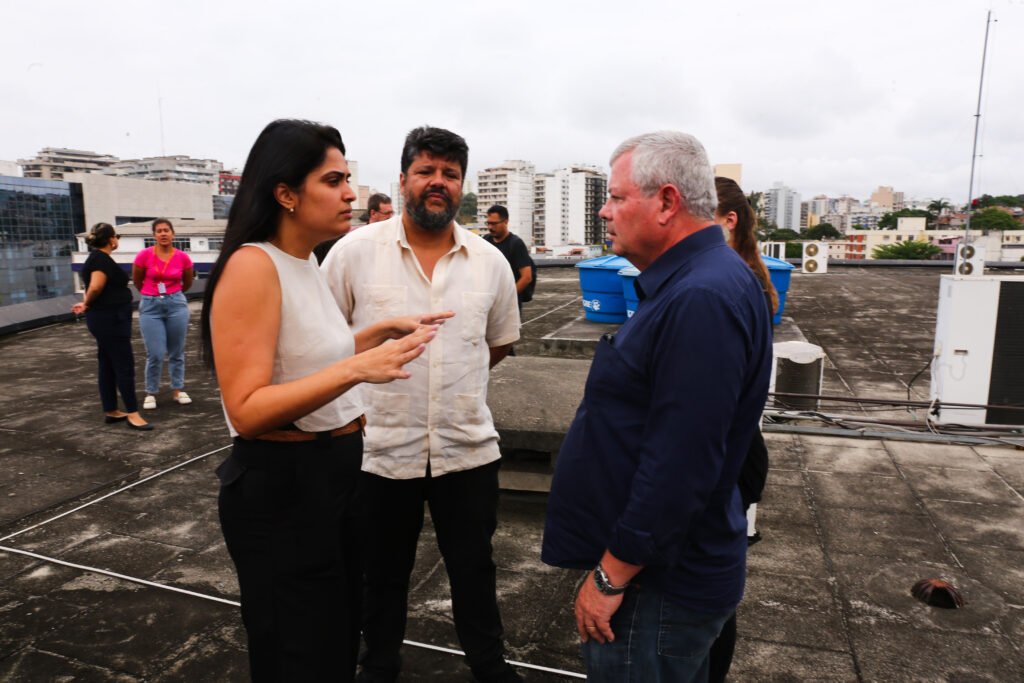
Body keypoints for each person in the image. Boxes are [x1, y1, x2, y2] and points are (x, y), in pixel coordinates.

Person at [200, 119, 447, 682]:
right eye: (333, 180)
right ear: (285, 193)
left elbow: (304, 359)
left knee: (335, 640)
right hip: (283, 485)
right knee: (298, 652)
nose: (350, 194)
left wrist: (373, 335)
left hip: (329, 474)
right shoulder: (252, 265)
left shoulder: (305, 261)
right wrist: (358, 368)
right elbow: (247, 407)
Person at [541, 132, 773, 682]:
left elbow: (681, 464)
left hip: (658, 586)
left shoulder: (701, 298)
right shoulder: (698, 282)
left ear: (667, 202)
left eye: (618, 197)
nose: (604, 209)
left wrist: (609, 578)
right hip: (663, 575)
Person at [321, 126, 522, 683]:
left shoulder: (489, 262)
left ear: (462, 185)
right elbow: (322, 345)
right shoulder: (352, 254)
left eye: (450, 174)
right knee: (379, 574)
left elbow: (498, 343)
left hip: (467, 447)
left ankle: (490, 667)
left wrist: (450, 378)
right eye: (426, 171)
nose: (438, 183)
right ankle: (379, 665)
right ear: (404, 177)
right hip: (380, 449)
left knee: (475, 571)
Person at [707, 176, 778, 683]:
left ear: (728, 221)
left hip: (732, 457)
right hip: (742, 452)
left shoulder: (729, 286)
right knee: (720, 589)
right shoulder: (746, 278)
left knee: (715, 594)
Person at [72, 223, 152, 431]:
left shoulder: (95, 259)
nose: (117, 239)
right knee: (123, 364)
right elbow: (96, 285)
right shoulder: (100, 259)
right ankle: (133, 413)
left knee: (107, 363)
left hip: (106, 318)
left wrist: (86, 302)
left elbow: (91, 286)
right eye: (116, 236)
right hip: (110, 319)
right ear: (111, 239)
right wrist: (88, 303)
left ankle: (111, 410)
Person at [132, 218, 195, 409]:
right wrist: (152, 293)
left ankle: (178, 389)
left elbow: (188, 281)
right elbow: (137, 280)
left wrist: (173, 294)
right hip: (151, 306)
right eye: (159, 231)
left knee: (177, 351)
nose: (163, 234)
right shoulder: (144, 256)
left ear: (173, 234)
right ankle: (151, 392)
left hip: (176, 303)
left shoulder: (182, 257)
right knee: (156, 353)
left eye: (166, 230)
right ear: (154, 236)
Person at [313, 192, 394, 264]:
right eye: (387, 213)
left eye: (392, 213)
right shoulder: (352, 238)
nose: (391, 217)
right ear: (373, 213)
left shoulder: (394, 238)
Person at [482, 204, 534, 311]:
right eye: (488, 223)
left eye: (494, 224)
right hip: (489, 302)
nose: (490, 227)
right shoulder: (486, 240)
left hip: (509, 307)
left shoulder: (516, 244)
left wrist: (506, 298)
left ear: (506, 222)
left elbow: (526, 277)